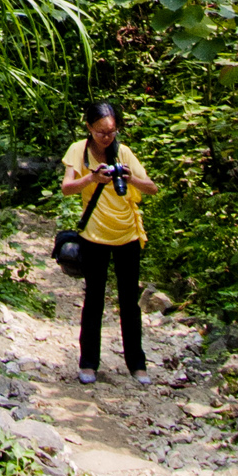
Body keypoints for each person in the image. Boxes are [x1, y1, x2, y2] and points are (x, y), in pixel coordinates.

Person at [60, 98, 158, 385]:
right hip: (94, 236)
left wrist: (132, 179)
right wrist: (92, 179)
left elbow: (151, 187)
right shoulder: (78, 150)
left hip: (127, 234)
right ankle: (88, 364)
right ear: (89, 127)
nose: (107, 137)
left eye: (112, 131)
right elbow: (67, 188)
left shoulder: (123, 152)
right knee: (94, 300)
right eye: (101, 131)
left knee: (130, 303)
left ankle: (137, 366)